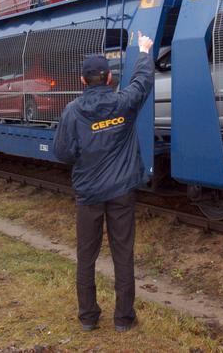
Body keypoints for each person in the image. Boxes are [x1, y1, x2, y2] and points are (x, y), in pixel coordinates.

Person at [53, 31, 155, 332]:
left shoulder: (72, 112)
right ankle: (124, 319)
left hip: (89, 194)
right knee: (123, 253)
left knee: (87, 255)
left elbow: (62, 153)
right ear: (109, 78)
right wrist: (144, 52)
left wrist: (84, 152)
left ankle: (88, 317)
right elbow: (141, 82)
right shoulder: (123, 103)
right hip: (122, 191)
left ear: (83, 81)